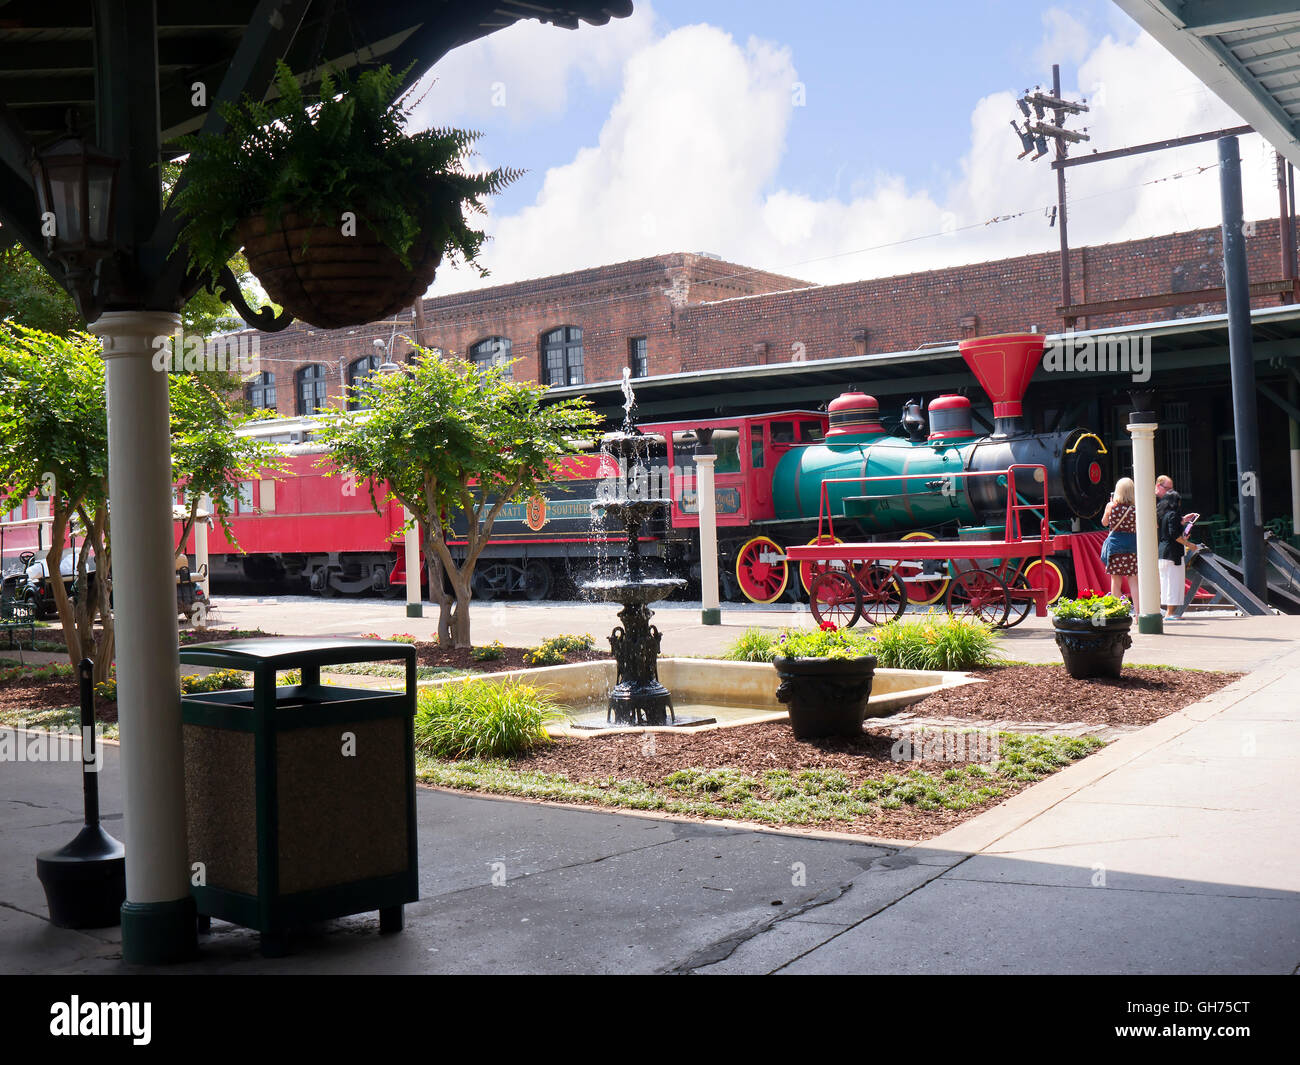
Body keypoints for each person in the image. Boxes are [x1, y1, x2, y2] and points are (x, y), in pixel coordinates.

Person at [1156, 474, 1193, 619]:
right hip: (1172, 553)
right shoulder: (1173, 514)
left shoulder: (1162, 514)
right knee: (1174, 582)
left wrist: (1182, 523)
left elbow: (1168, 530)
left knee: (1165, 582)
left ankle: (1167, 611)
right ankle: (1170, 613)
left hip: (1162, 551)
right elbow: (1174, 535)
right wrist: (1189, 544)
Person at [1100, 477, 1138, 611]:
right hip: (1132, 547)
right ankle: (1138, 614)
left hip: (1115, 547)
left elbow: (1104, 523)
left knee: (1116, 582)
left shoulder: (1111, 507)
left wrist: (1109, 509)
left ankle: (1117, 611)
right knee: (1133, 581)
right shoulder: (1136, 509)